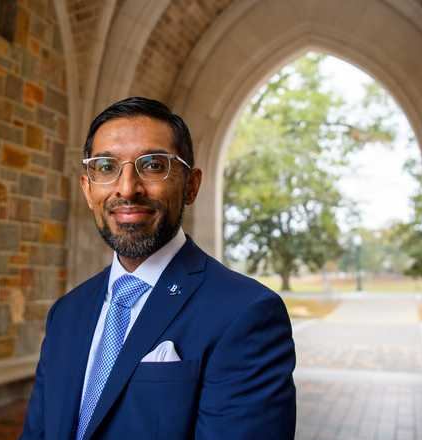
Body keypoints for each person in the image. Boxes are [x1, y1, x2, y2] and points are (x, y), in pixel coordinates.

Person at [19, 97, 296, 440]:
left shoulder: (246, 314)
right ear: (87, 189)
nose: (127, 188)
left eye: (152, 165)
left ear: (191, 185)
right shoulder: (66, 314)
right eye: (106, 167)